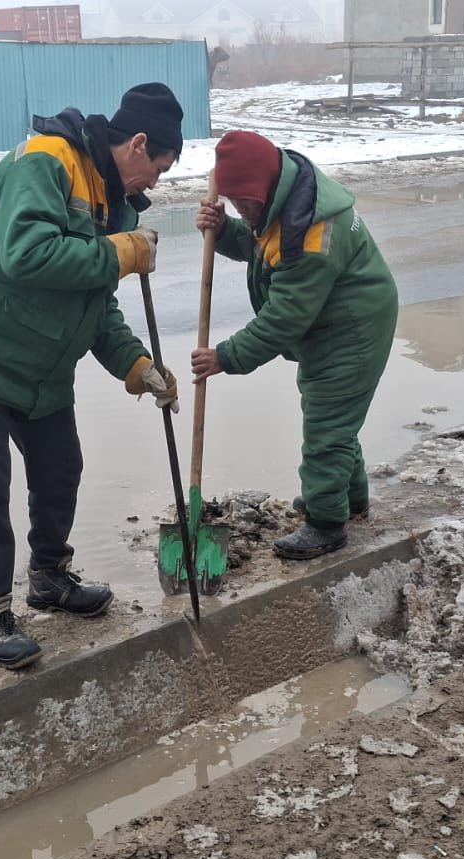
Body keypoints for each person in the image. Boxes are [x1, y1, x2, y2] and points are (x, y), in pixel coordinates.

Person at [0, 83, 184, 670]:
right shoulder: (46, 161)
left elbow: (95, 303)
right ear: (138, 144)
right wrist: (120, 253)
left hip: (41, 366)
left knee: (61, 468)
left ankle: (49, 578)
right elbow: (27, 255)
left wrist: (137, 365)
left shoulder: (116, 204)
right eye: (158, 168)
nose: (156, 183)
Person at [190, 130, 399, 561]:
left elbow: (284, 317)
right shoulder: (287, 198)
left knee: (326, 429)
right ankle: (349, 502)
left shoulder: (312, 233)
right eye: (235, 203)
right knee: (335, 421)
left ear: (264, 190)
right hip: (335, 324)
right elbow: (262, 246)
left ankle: (327, 524)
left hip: (351, 332)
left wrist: (226, 356)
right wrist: (224, 229)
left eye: (245, 204)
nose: (242, 210)